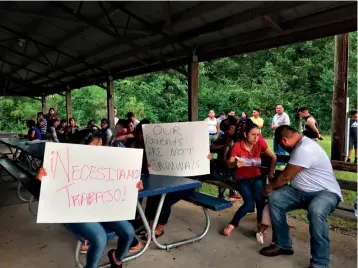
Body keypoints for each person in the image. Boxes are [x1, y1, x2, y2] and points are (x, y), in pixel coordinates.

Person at [36, 132, 143, 268]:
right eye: (94, 144)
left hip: (102, 206)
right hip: (76, 211)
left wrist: (133, 186)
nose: (100, 147)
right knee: (99, 238)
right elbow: (53, 194)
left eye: (100, 143)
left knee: (128, 231)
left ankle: (117, 258)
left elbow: (118, 184)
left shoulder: (109, 162)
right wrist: (42, 180)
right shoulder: (65, 162)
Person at [260, 126, 342, 268]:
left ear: (285, 140)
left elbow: (285, 177)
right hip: (299, 192)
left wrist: (269, 187)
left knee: (316, 211)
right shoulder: (300, 146)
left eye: (281, 145)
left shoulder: (305, 149)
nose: (283, 148)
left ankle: (320, 263)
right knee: (276, 199)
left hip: (325, 192)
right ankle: (283, 245)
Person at [220, 119, 276, 236]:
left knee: (260, 200)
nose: (256, 138)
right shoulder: (237, 146)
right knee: (249, 204)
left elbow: (273, 157)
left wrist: (270, 174)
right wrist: (235, 164)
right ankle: (232, 224)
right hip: (242, 178)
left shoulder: (259, 144)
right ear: (245, 134)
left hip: (256, 177)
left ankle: (260, 226)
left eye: (258, 135)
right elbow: (229, 164)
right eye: (253, 135)